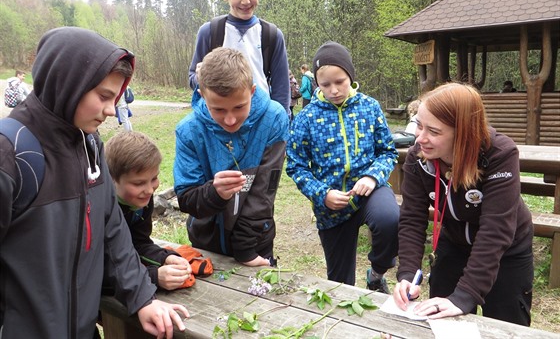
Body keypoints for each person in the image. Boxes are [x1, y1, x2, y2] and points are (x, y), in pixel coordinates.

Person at [0, 26, 189, 338]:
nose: (110, 109)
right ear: (67, 82)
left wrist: (142, 297)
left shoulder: (90, 145)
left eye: (114, 97)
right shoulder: (11, 153)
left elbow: (113, 230)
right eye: (103, 96)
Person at [393, 83, 533, 326]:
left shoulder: (500, 154)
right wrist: (407, 274)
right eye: (419, 125)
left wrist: (466, 295)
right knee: (439, 322)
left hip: (507, 250)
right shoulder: (418, 156)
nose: (420, 138)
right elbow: (412, 219)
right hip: (454, 243)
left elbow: (496, 230)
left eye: (434, 132)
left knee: (506, 325)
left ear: (464, 133)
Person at [286, 41, 400, 292]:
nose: (334, 90)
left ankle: (376, 274)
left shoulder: (369, 107)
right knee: (340, 287)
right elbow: (295, 166)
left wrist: (372, 177)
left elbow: (388, 152)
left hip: (369, 191)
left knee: (389, 219)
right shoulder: (306, 117)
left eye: (340, 81)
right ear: (316, 83)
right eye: (325, 84)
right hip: (331, 206)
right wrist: (322, 194)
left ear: (350, 76)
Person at [175, 47, 289, 267]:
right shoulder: (188, 131)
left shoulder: (274, 118)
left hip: (256, 241)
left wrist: (245, 249)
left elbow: (265, 191)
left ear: (252, 91)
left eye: (239, 107)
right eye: (218, 109)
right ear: (202, 96)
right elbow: (186, 198)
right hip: (206, 242)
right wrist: (215, 193)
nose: (230, 120)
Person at [188, 0, 290, 114]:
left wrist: (282, 124)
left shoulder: (272, 35)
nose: (245, 1)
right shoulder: (210, 32)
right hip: (220, 120)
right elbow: (192, 78)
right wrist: (201, 76)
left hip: (260, 120)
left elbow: (282, 89)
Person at [105, 131, 192, 290]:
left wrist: (166, 258)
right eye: (138, 183)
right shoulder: (98, 211)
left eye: (154, 179)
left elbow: (138, 243)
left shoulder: (140, 200)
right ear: (111, 179)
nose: (150, 190)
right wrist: (153, 277)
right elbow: (99, 271)